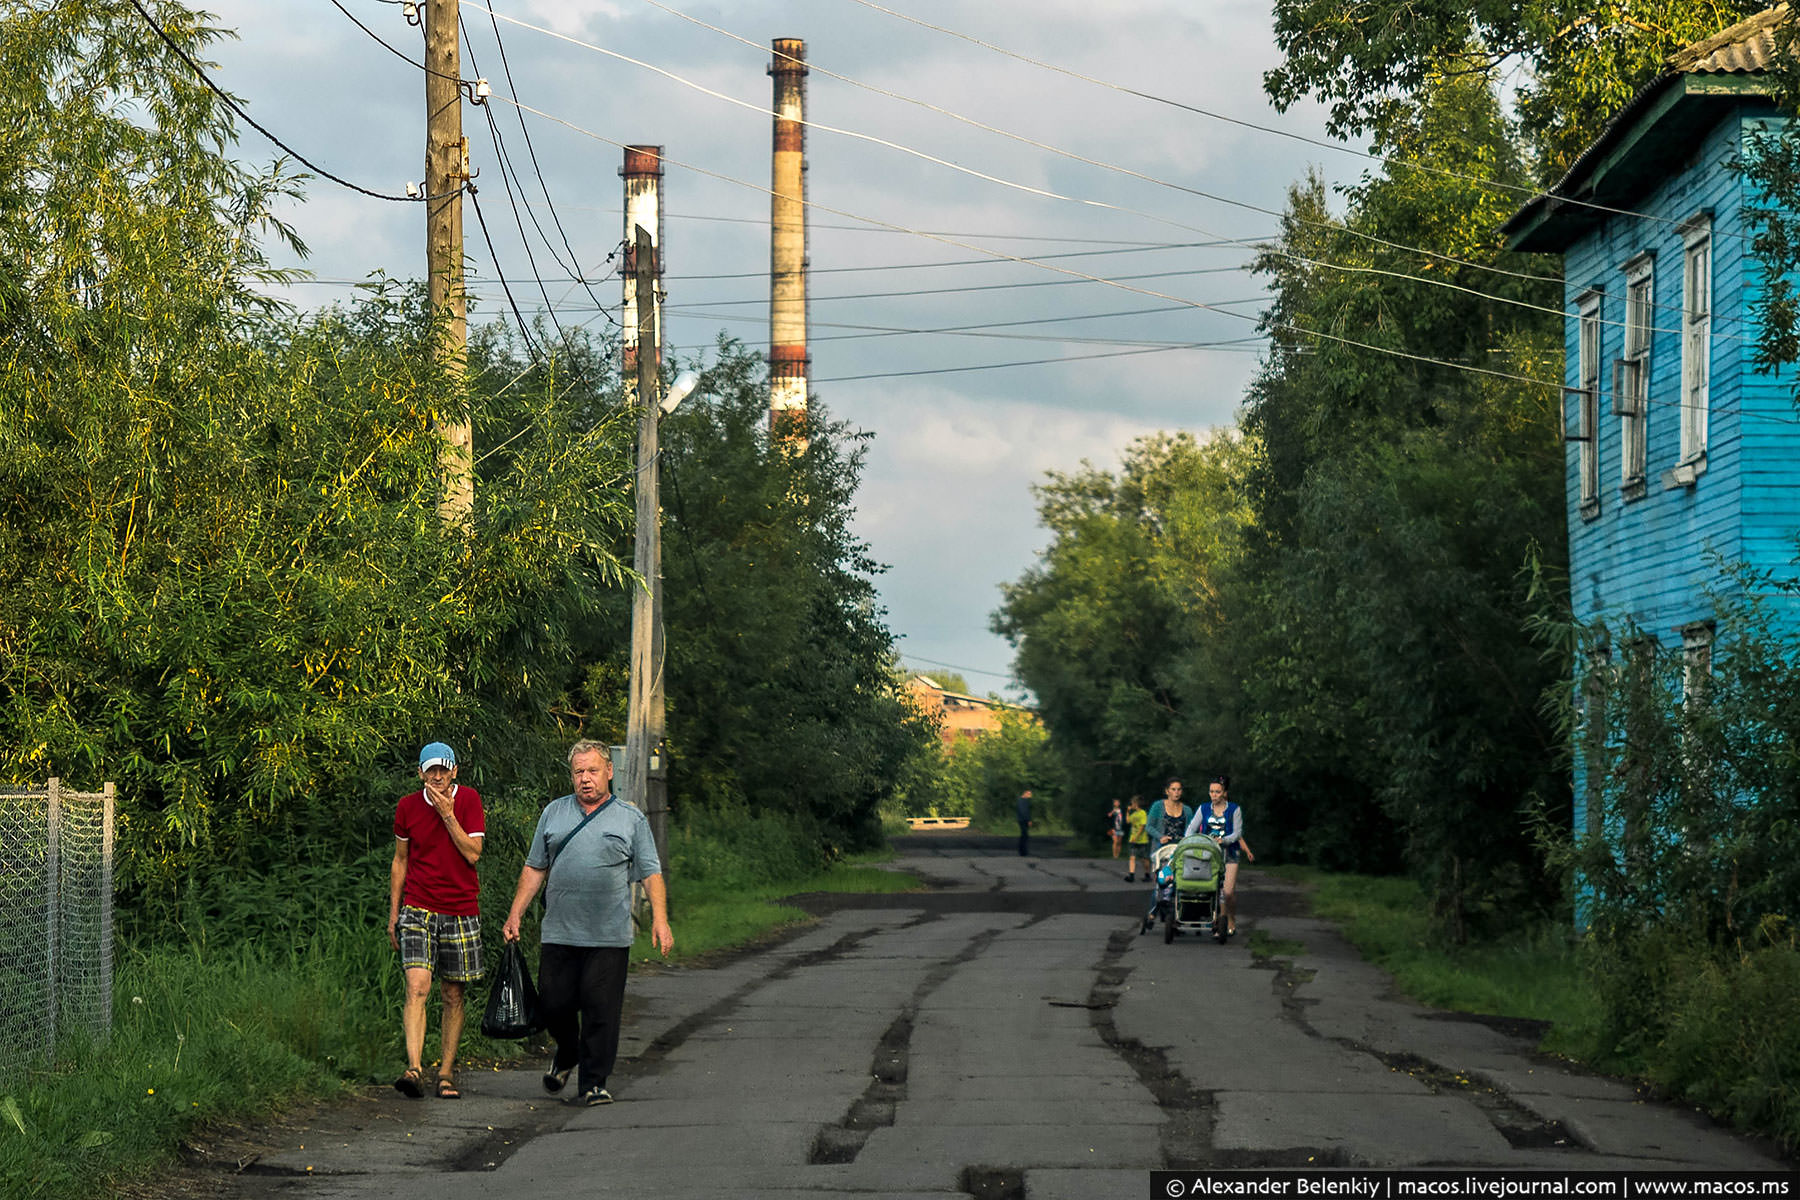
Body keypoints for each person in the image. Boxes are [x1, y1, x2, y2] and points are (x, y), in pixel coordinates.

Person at [502, 740, 673, 1107]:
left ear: (609, 771)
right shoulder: (554, 813)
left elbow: (651, 872)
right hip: (560, 931)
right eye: (579, 772)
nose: (585, 779)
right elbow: (535, 867)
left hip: (608, 936)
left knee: (600, 1007)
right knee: (553, 1004)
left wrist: (660, 919)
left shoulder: (630, 819)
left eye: (593, 771)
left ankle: (594, 1082)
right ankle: (567, 1051)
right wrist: (516, 912)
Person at [389, 741, 485, 1101]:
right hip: (418, 906)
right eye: (432, 770)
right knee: (416, 986)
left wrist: (448, 814)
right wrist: (393, 912)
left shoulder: (469, 801)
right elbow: (400, 860)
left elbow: (473, 853)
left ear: (455, 771)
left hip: (460, 907)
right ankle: (414, 1068)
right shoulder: (408, 807)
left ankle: (445, 1071)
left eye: (444, 769)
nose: (438, 776)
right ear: (421, 774)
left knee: (452, 993)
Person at [1186, 774, 1255, 936]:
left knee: (1228, 891)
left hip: (1229, 852)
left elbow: (1237, 833)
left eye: (1217, 792)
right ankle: (1220, 922)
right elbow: (1191, 828)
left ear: (1224, 792)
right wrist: (1192, 840)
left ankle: (1231, 917)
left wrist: (1223, 840)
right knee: (1213, 889)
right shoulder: (1203, 808)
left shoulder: (1234, 809)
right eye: (1211, 792)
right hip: (1208, 853)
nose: (1214, 795)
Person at [1139, 778, 1191, 934]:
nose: (1176, 792)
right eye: (1173, 789)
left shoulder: (1187, 810)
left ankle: (1173, 919)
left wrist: (1187, 838)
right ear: (1167, 791)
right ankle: (1152, 913)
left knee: (1179, 884)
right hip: (1161, 851)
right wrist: (1160, 836)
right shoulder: (1158, 806)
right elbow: (1149, 826)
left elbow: (1192, 829)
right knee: (1163, 882)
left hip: (1179, 851)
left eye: (1179, 789)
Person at [1124, 796, 1148, 881]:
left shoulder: (1143, 813)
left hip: (1142, 840)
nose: (1132, 804)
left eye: (1133, 803)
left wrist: (1137, 836)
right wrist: (1128, 811)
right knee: (1132, 856)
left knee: (1143, 858)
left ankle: (1147, 874)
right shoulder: (1133, 814)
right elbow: (1127, 821)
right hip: (1132, 839)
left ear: (1136, 803)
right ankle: (1131, 875)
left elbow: (1142, 826)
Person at [1016, 788, 1033, 856]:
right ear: (1025, 793)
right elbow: (1023, 811)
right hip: (1023, 820)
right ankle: (1022, 851)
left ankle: (1023, 851)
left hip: (1023, 820)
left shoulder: (1025, 801)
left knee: (1024, 835)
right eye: (1029, 794)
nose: (1030, 795)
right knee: (1024, 835)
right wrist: (1028, 820)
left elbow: (1027, 811)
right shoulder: (1021, 800)